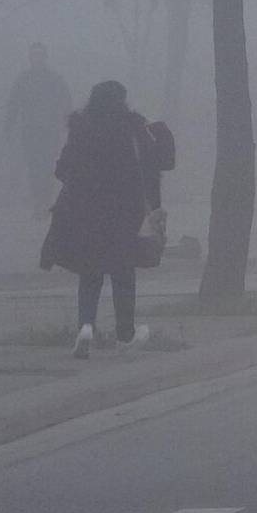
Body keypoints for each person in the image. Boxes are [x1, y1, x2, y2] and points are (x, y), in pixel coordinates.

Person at [46, 81, 155, 358]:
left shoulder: (81, 129)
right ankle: (125, 334)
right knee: (123, 273)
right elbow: (145, 167)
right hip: (122, 213)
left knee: (90, 272)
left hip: (87, 213)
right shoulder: (129, 129)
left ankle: (85, 327)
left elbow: (63, 169)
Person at [6, 43, 73, 218]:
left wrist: (68, 124)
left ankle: (45, 201)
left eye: (40, 55)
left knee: (47, 165)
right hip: (29, 131)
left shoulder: (55, 79)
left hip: (49, 131)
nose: (36, 59)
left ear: (44, 57)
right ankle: (38, 202)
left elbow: (66, 102)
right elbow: (13, 104)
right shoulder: (23, 79)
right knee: (34, 166)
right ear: (30, 58)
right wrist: (8, 126)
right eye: (34, 55)